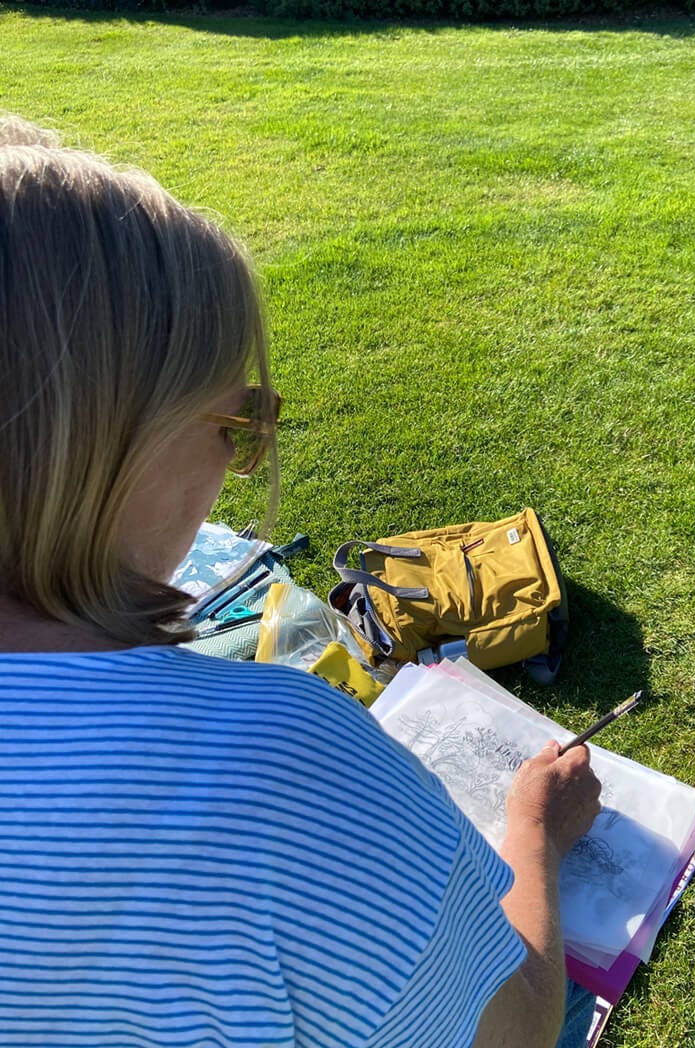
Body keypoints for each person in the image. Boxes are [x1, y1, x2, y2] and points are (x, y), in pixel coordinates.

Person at [0, 115, 602, 1047]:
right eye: (237, 424)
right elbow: (510, 1030)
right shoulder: (274, 763)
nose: (239, 462)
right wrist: (536, 835)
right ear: (107, 442)